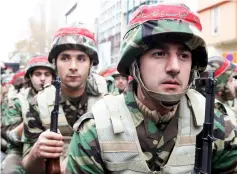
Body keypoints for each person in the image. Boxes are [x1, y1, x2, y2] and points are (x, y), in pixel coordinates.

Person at [66, 3, 237, 174]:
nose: (174, 67)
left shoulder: (216, 123)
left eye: (183, 55)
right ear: (135, 64)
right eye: (159, 54)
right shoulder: (95, 131)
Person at [21, 26, 107, 173]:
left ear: (91, 64)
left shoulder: (108, 101)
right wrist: (36, 153)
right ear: (55, 63)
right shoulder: (38, 104)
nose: (73, 67)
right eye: (65, 58)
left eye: (81, 58)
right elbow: (28, 167)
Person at [1, 56, 55, 174]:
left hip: (54, 149)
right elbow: (8, 135)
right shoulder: (19, 101)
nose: (42, 78)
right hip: (20, 150)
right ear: (30, 76)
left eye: (47, 74)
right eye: (38, 74)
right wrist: (30, 120)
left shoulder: (60, 97)